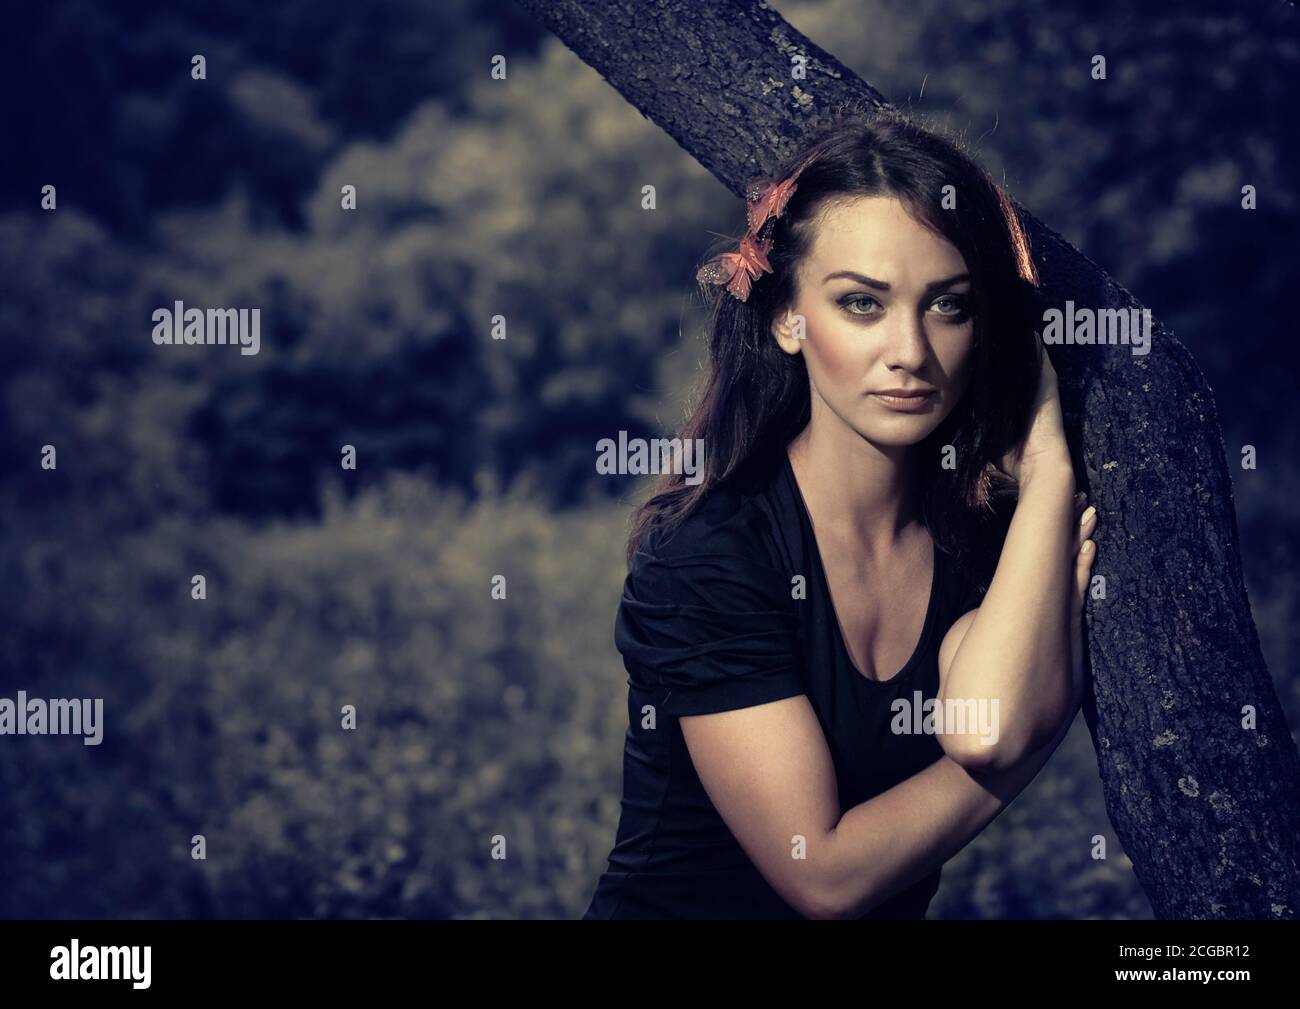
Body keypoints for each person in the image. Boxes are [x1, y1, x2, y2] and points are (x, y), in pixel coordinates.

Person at [583, 111, 1098, 920]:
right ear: (789, 317)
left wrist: (1049, 467)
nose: (910, 352)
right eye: (862, 303)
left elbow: (986, 728)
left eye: (948, 306)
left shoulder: (984, 537)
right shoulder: (708, 555)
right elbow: (822, 873)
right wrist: (1042, 727)